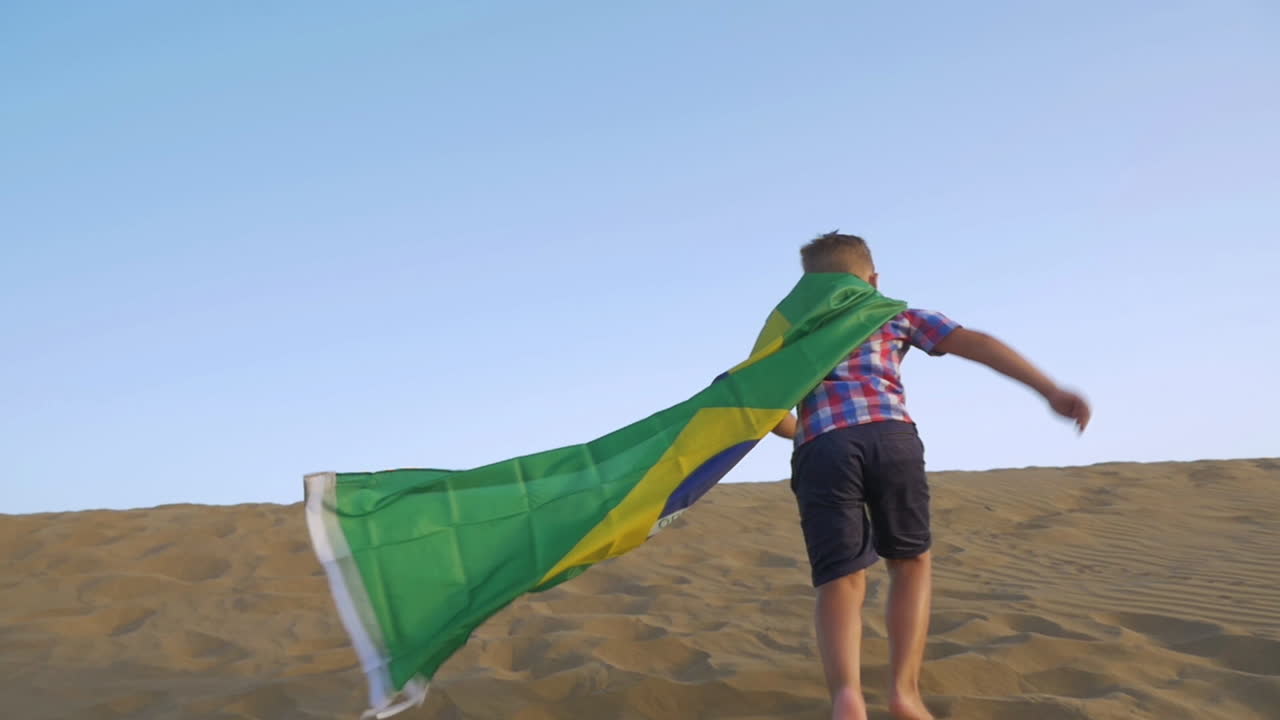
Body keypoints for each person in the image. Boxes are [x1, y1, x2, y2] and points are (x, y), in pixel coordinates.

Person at [770, 232, 1091, 720]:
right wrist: (1047, 389)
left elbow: (765, 410)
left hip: (822, 448)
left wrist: (808, 432)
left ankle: (848, 699)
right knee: (911, 562)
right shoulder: (892, 313)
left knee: (840, 579)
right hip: (890, 437)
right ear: (873, 281)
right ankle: (904, 694)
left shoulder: (793, 338)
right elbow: (974, 343)